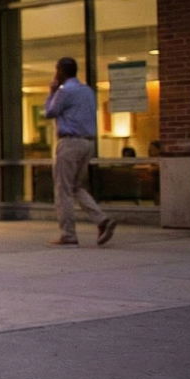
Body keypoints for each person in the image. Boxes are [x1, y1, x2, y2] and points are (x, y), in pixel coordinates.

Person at [44, 56, 115, 246]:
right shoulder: (87, 91)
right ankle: (101, 220)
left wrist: (51, 92)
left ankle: (68, 234)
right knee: (77, 187)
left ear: (60, 71)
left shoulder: (64, 91)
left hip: (69, 143)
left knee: (63, 189)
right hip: (88, 144)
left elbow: (49, 112)